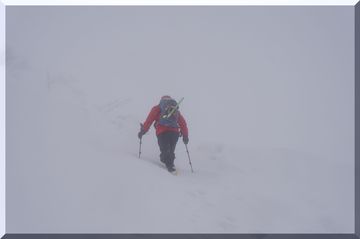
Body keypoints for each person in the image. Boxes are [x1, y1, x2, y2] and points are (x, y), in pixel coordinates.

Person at [138, 95, 189, 172]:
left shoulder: (157, 108)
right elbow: (183, 123)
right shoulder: (175, 110)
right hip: (174, 133)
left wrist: (143, 131)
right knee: (170, 150)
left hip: (162, 132)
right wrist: (185, 136)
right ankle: (171, 165)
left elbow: (149, 120)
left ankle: (170, 166)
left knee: (165, 150)